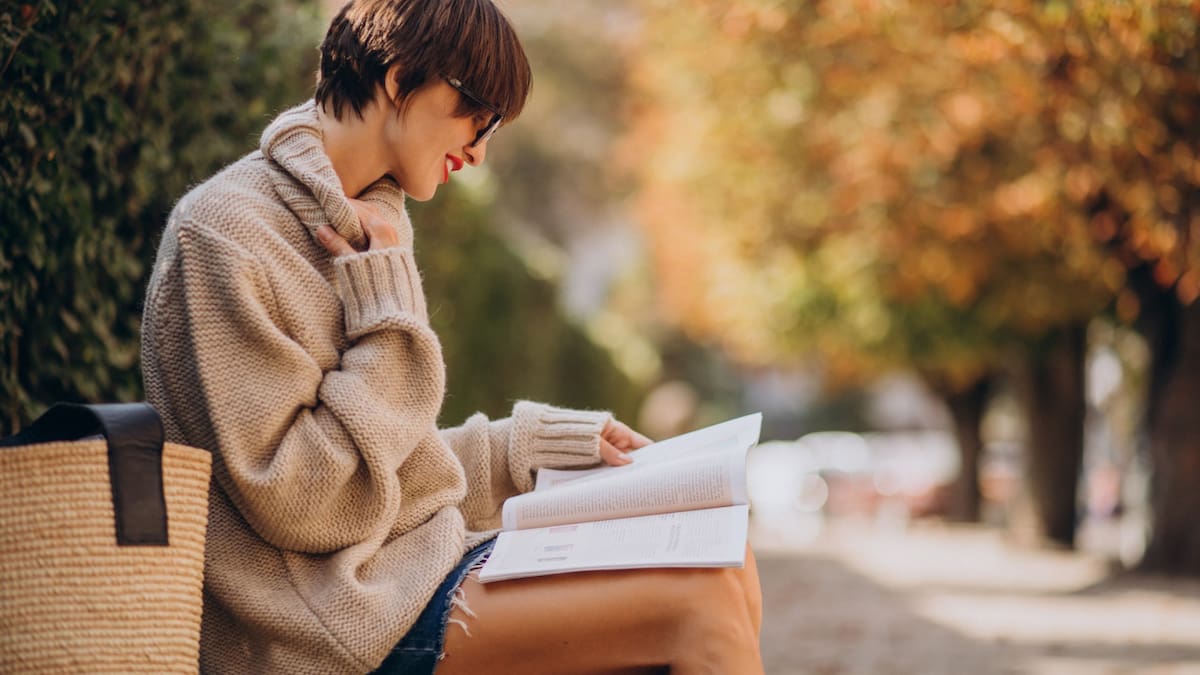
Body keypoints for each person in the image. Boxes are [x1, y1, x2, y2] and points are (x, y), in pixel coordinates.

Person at [140, 0, 763, 672]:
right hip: (324, 622)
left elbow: (386, 467)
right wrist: (387, 317)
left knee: (725, 559)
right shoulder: (226, 234)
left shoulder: (373, 221)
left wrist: (524, 448)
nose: (480, 146)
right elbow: (306, 501)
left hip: (410, 568)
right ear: (399, 77)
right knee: (698, 601)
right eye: (477, 112)